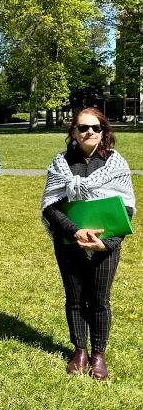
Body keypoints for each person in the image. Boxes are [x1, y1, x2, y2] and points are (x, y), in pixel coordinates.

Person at [41, 107, 135, 380]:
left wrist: (107, 243)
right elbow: (50, 206)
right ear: (73, 132)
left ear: (104, 131)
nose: (89, 132)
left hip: (106, 246)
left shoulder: (116, 164)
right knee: (74, 298)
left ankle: (98, 354)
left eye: (95, 127)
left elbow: (126, 208)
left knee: (100, 300)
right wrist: (76, 231)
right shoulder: (61, 164)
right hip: (69, 241)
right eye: (82, 128)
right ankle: (80, 350)